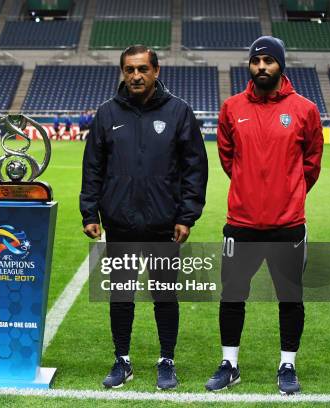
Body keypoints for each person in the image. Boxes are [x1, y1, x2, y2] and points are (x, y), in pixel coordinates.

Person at [80, 45, 208, 390]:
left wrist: (187, 215)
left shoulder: (179, 112)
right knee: (120, 295)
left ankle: (167, 360)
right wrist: (89, 210)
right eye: (129, 70)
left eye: (142, 69)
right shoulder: (107, 114)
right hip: (120, 222)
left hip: (164, 223)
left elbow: (196, 168)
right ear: (122, 73)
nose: (135, 76)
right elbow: (93, 166)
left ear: (156, 71)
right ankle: (122, 360)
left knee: (164, 294)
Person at [205, 36, 323, 395]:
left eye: (268, 61)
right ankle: (230, 364)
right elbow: (229, 158)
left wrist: (288, 193)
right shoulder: (231, 107)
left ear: (280, 64)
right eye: (256, 61)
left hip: (288, 226)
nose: (261, 67)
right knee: (232, 294)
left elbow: (312, 164)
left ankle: (287, 365)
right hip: (241, 224)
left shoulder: (304, 109)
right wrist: (249, 187)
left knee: (290, 296)